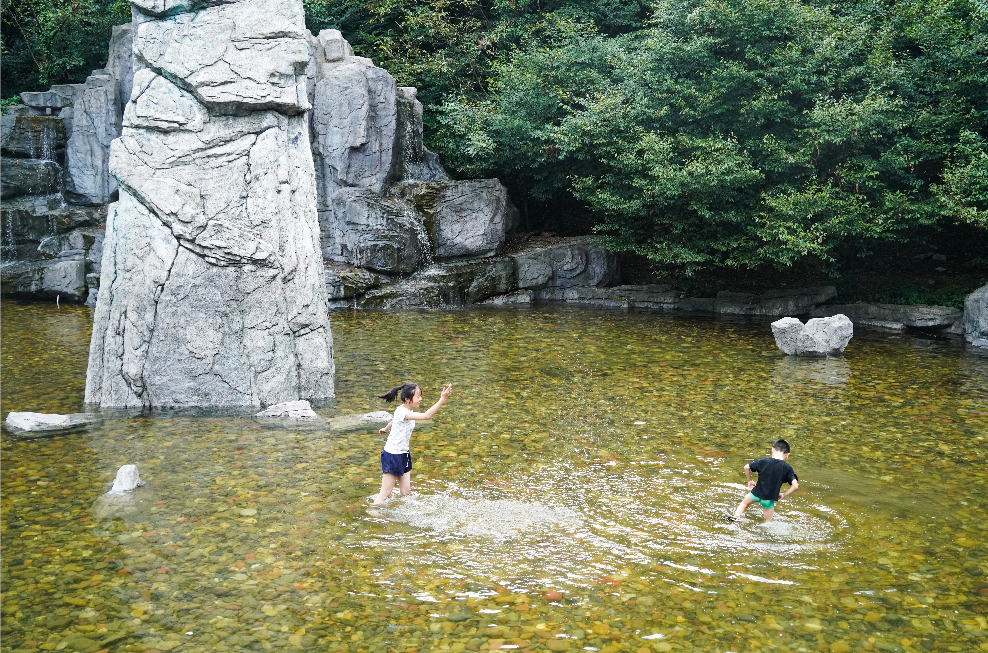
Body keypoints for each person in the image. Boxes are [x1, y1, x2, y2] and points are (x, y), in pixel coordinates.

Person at [372, 382, 452, 505]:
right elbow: (426, 416)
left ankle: (402, 515)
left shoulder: (405, 410)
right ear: (408, 399)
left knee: (406, 491)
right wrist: (442, 399)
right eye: (418, 396)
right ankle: (373, 513)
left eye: (420, 396)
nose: (421, 399)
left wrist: (386, 428)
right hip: (392, 455)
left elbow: (395, 420)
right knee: (385, 494)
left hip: (404, 454)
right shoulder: (402, 412)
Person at [730, 439, 799, 522]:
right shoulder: (787, 468)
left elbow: (746, 467)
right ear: (787, 455)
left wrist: (750, 480)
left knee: (744, 503)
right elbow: (795, 486)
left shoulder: (764, 461)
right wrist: (784, 495)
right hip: (768, 500)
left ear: (772, 449)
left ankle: (734, 518)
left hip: (755, 494)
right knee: (768, 521)